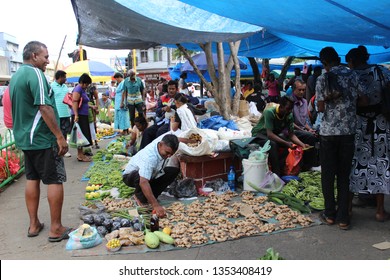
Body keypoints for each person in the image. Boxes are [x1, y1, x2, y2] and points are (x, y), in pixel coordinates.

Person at [9, 41, 71, 242]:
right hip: (42, 139)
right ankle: (56, 228)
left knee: (32, 178)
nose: (48, 61)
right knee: (54, 180)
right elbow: (44, 107)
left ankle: (34, 224)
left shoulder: (16, 76)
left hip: (26, 139)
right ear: (34, 56)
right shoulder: (35, 74)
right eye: (45, 56)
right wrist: (59, 136)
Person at [316, 46, 368, 230]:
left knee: (328, 174)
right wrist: (349, 105)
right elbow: (364, 101)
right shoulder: (353, 75)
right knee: (344, 175)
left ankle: (329, 214)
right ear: (338, 58)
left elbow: (320, 108)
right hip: (348, 132)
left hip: (329, 133)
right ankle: (344, 218)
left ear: (324, 62)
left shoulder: (323, 78)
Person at [346, 47, 390, 222]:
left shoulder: (350, 76)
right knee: (381, 164)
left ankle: (348, 208)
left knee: (352, 163)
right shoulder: (381, 71)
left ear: (352, 61)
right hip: (381, 124)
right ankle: (380, 211)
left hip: (358, 125)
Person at [122, 134, 180, 217]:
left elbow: (178, 138)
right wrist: (155, 205)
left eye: (171, 154)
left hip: (152, 175)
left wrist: (191, 140)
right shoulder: (150, 157)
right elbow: (143, 182)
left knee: (173, 171)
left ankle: (150, 197)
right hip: (131, 176)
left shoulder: (162, 145)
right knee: (142, 177)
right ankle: (139, 196)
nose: (169, 156)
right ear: (160, 145)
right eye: (167, 153)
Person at [251, 96, 311, 176]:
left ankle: (280, 169)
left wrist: (303, 145)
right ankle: (276, 174)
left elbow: (291, 135)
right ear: (281, 106)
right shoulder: (269, 112)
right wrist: (285, 143)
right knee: (273, 144)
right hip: (259, 134)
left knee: (287, 145)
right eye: (287, 109)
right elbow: (270, 135)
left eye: (290, 109)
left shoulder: (289, 116)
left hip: (272, 135)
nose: (289, 111)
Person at [140, 79, 178, 149]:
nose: (171, 90)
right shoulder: (162, 98)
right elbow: (157, 111)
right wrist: (163, 109)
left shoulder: (180, 98)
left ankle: (159, 153)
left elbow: (194, 101)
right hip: (163, 120)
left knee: (160, 132)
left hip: (174, 122)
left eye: (173, 89)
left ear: (176, 89)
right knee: (147, 131)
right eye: (170, 89)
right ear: (167, 89)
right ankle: (143, 151)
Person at [291, 79, 320, 169]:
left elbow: (304, 121)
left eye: (303, 90)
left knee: (318, 134)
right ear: (294, 90)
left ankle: (315, 162)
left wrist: (309, 129)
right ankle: (308, 165)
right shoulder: (290, 101)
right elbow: (290, 123)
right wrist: (304, 130)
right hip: (292, 130)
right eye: (299, 90)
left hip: (302, 129)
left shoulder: (305, 102)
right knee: (310, 137)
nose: (302, 92)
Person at [71, 73, 94, 162]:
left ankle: (81, 153)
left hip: (83, 115)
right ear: (83, 82)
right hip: (79, 115)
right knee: (79, 136)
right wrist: (76, 115)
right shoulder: (78, 89)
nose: (87, 86)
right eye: (87, 84)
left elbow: (83, 102)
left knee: (83, 135)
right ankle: (80, 155)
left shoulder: (82, 90)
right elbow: (75, 102)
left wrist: (92, 107)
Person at [51, 70, 72, 157]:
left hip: (66, 113)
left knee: (65, 132)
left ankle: (64, 150)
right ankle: (57, 150)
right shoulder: (51, 86)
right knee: (57, 133)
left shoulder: (65, 87)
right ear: (60, 77)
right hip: (57, 114)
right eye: (64, 77)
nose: (65, 79)